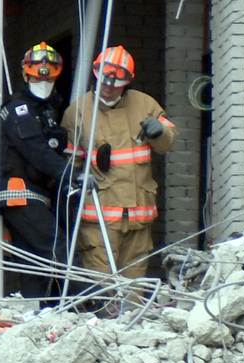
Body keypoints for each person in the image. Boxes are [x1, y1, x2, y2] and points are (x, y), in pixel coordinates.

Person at [61, 45, 178, 279]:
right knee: (102, 287)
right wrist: (75, 178)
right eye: (103, 83)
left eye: (115, 86)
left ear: (127, 83)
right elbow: (68, 163)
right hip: (98, 220)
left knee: (134, 286)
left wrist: (160, 132)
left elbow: (167, 142)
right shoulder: (78, 112)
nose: (107, 90)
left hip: (138, 216)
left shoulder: (145, 105)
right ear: (96, 75)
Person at [0, 42, 95, 302]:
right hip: (20, 192)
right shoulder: (19, 109)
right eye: (38, 78)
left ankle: (38, 312)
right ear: (26, 75)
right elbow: (35, 150)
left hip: (37, 194)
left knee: (35, 263)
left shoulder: (47, 112)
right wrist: (71, 173)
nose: (43, 83)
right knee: (58, 248)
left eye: (48, 79)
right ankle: (89, 301)